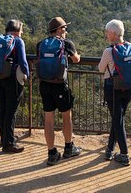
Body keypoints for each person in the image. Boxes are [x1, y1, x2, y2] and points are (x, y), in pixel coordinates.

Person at [36, 16, 83, 165]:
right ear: (59, 29)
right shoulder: (66, 43)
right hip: (60, 85)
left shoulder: (40, 44)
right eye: (64, 28)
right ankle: (69, 148)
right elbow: (76, 59)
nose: (66, 31)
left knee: (48, 119)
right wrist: (77, 55)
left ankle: (51, 153)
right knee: (66, 115)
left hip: (44, 83)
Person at [97, 19, 131, 166]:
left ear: (114, 33)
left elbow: (101, 69)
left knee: (118, 119)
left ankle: (124, 154)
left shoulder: (109, 51)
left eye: (108, 32)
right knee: (118, 118)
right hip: (128, 88)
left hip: (112, 88)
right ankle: (109, 149)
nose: (106, 34)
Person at [0, 19, 30, 153]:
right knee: (11, 111)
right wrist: (27, 75)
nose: (22, 33)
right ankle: (9, 143)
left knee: (3, 108)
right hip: (13, 79)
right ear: (17, 31)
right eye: (22, 30)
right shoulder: (18, 41)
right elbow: (23, 62)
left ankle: (4, 138)